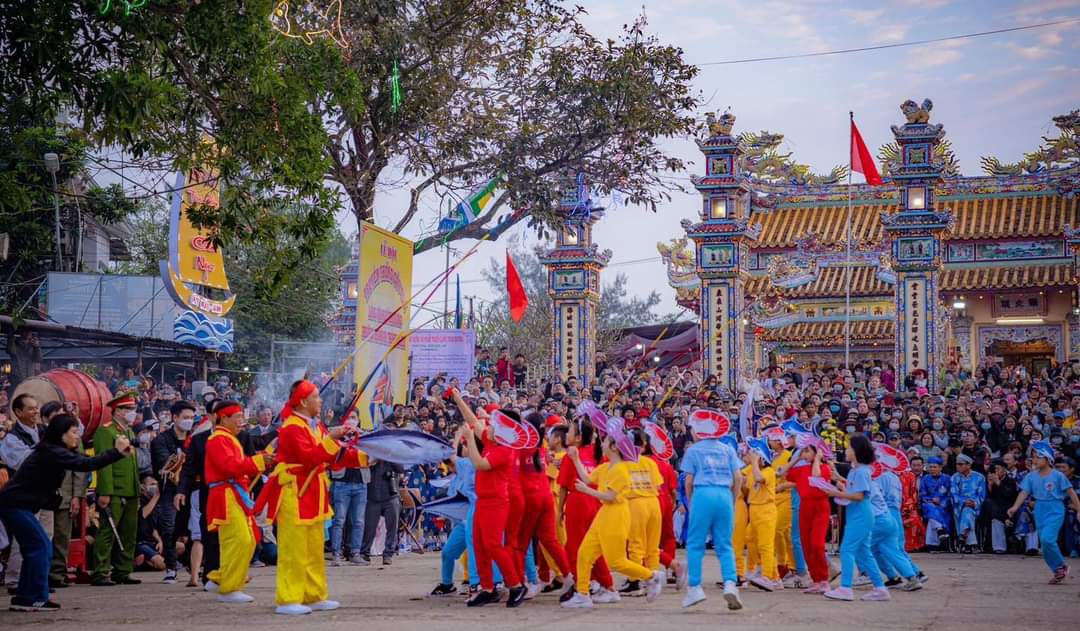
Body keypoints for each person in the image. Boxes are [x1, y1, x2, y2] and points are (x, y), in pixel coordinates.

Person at [255, 379, 367, 615]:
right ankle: (288, 599)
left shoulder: (316, 426)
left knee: (314, 549)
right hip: (295, 491)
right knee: (294, 549)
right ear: (303, 401)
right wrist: (331, 438)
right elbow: (310, 458)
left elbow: (334, 456)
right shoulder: (292, 427)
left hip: (314, 492)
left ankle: (314, 594)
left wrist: (366, 457)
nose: (320, 400)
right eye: (316, 396)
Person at [0, 414, 131, 611]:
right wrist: (116, 451)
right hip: (15, 505)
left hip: (19, 505)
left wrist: (116, 453)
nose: (77, 436)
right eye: (73, 432)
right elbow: (87, 465)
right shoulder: (51, 452)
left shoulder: (54, 450)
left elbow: (85, 460)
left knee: (36, 547)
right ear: (61, 434)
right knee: (40, 546)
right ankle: (33, 597)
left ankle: (26, 596)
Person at [561, 429, 663, 609]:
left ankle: (651, 576)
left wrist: (586, 491)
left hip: (616, 515)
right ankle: (582, 594)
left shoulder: (621, 470)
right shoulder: (606, 467)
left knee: (616, 561)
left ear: (614, 447)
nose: (602, 444)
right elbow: (587, 478)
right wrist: (576, 459)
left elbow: (610, 496)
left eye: (606, 441)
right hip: (604, 514)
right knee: (584, 554)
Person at [457, 400, 527, 608]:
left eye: (495, 426)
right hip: (483, 500)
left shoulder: (504, 450)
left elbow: (480, 464)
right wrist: (457, 397)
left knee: (494, 545)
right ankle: (487, 588)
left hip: (496, 503)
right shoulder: (492, 442)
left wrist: (470, 439)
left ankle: (516, 585)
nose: (490, 427)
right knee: (479, 545)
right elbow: (473, 420)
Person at [204, 401, 274, 603]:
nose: (241, 421)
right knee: (239, 539)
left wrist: (260, 459)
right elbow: (229, 466)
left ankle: (219, 579)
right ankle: (230, 587)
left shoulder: (228, 438)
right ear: (224, 418)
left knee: (247, 539)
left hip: (234, 493)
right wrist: (258, 461)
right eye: (237, 417)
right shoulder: (218, 439)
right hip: (226, 494)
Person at [679, 416, 743, 609]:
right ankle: (730, 583)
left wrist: (691, 502)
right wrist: (732, 499)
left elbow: (688, 481)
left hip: (702, 493)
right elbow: (738, 477)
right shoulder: (727, 449)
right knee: (725, 544)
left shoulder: (693, 450)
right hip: (724, 494)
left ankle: (695, 587)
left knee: (695, 543)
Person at [820, 434, 889, 602]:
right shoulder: (856, 470)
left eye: (849, 448)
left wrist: (834, 492)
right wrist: (840, 483)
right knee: (864, 553)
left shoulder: (861, 471)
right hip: (858, 514)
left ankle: (845, 587)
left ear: (857, 451)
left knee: (847, 549)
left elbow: (859, 495)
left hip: (860, 515)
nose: (846, 451)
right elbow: (853, 490)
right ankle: (880, 588)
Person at [515, 411, 572, 598]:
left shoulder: (523, 449)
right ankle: (567, 576)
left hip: (532, 499)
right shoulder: (540, 448)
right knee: (549, 541)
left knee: (521, 544)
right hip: (546, 497)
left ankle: (520, 583)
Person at [1007, 441, 1080, 584]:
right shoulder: (1031, 476)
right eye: (1033, 457)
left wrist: (1079, 510)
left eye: (1038, 457)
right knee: (1045, 543)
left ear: (1048, 458)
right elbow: (1024, 493)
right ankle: (1057, 570)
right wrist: (1015, 507)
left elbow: (1071, 493)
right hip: (1039, 509)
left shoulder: (1058, 476)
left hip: (1055, 509)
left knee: (1047, 539)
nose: (1034, 460)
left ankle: (1061, 566)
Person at [90, 392, 142, 587]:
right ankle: (100, 571)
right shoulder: (106, 431)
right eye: (129, 409)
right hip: (115, 490)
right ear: (118, 411)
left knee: (129, 532)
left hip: (131, 489)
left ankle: (123, 570)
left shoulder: (129, 432)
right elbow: (104, 464)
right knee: (107, 532)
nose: (133, 412)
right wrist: (105, 492)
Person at [150, 399, 196, 584]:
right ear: (174, 417)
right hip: (170, 490)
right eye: (185, 417)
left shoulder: (195, 438)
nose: (189, 421)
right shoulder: (161, 440)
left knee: (195, 530)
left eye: (192, 417)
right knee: (169, 529)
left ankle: (193, 566)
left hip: (191, 490)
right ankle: (171, 568)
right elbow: (165, 465)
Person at [785, 443, 832, 593]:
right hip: (805, 507)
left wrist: (817, 458)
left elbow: (816, 477)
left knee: (817, 544)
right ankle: (816, 579)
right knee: (806, 546)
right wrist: (796, 459)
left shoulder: (825, 468)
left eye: (807, 451)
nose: (805, 454)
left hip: (820, 507)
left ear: (817, 453)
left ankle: (824, 579)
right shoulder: (801, 469)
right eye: (804, 451)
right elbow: (781, 473)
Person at [358, 458, 403, 565]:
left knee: (392, 527)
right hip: (372, 497)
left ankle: (388, 554)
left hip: (391, 496)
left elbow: (400, 468)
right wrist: (373, 460)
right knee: (369, 528)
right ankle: (364, 553)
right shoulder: (370, 454)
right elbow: (362, 468)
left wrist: (387, 457)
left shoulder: (392, 454)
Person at [950, 453, 986, 552]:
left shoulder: (980, 477)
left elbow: (982, 495)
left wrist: (974, 503)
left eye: (960, 464)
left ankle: (962, 537)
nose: (958, 466)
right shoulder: (954, 477)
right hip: (959, 505)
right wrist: (963, 502)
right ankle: (969, 543)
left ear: (968, 465)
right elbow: (953, 494)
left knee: (968, 511)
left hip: (975, 506)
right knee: (966, 511)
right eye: (957, 464)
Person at [919, 456, 952, 550]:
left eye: (935, 467)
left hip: (943, 505)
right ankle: (940, 529)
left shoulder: (947, 478)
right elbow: (922, 494)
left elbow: (950, 494)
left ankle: (932, 543)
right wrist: (931, 500)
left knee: (932, 516)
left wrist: (941, 502)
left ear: (940, 467)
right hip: (928, 503)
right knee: (930, 507)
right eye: (930, 467)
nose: (932, 469)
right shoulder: (925, 479)